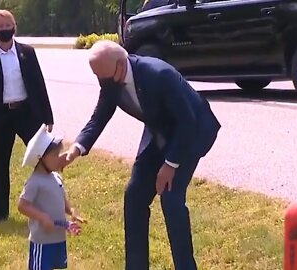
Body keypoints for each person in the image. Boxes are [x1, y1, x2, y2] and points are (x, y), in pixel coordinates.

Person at [61, 40, 221, 270]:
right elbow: (100, 116)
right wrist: (77, 148)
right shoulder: (110, 80)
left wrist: (170, 164)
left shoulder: (158, 74)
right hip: (158, 133)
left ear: (119, 65)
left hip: (189, 133)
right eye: (96, 76)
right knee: (134, 197)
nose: (100, 82)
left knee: (171, 199)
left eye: (102, 76)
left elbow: (187, 121)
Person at [0, 9, 54, 224]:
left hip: (27, 113)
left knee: (43, 159)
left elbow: (39, 84)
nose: (5, 30)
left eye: (8, 26)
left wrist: (48, 116)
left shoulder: (28, 53)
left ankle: (45, 205)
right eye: (1, 27)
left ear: (14, 27)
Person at [18, 124, 84, 270]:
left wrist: (71, 211)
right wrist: (42, 217)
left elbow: (62, 200)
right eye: (55, 155)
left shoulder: (56, 177)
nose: (59, 158)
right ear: (40, 158)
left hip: (57, 237)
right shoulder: (35, 181)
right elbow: (22, 205)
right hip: (42, 240)